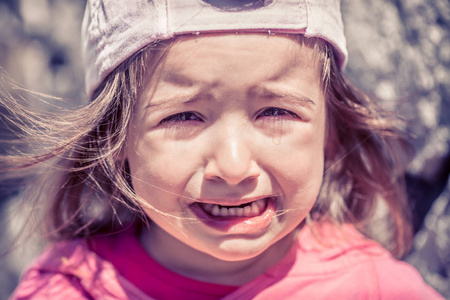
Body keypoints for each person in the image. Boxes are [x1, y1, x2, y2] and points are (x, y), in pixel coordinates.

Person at [3, 0, 443, 299]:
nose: (233, 167)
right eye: (183, 117)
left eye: (276, 112)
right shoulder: (72, 289)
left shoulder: (373, 288)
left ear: (330, 130)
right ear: (115, 138)